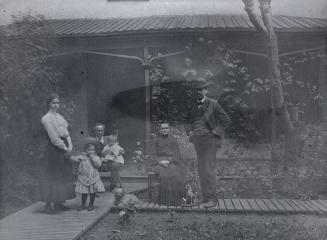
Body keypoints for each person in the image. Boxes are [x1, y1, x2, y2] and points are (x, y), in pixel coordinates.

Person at [183, 78, 231, 208]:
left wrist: (216, 131)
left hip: (210, 141)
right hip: (198, 141)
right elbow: (186, 121)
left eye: (200, 89)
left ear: (205, 90)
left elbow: (226, 120)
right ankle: (205, 198)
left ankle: (212, 200)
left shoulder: (213, 104)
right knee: (201, 170)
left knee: (209, 170)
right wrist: (189, 132)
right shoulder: (191, 105)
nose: (198, 92)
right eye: (196, 90)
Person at [40, 93, 75, 214]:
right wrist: (65, 149)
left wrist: (70, 147)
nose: (55, 105)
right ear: (49, 104)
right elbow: (54, 138)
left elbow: (66, 133)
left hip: (63, 147)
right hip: (54, 150)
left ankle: (59, 203)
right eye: (53, 103)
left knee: (62, 174)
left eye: (57, 103)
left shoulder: (60, 117)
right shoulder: (46, 118)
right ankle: (48, 205)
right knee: (52, 175)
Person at [151, 122, 185, 206]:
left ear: (169, 129)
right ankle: (164, 201)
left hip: (171, 162)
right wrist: (160, 162)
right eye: (163, 128)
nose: (164, 130)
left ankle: (174, 200)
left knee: (175, 174)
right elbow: (152, 155)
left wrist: (168, 161)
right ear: (160, 130)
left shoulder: (173, 140)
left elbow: (177, 155)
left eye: (166, 128)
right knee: (164, 175)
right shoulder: (156, 140)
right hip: (158, 163)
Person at [71, 142, 105, 211]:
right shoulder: (82, 157)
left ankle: (91, 204)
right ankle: (83, 204)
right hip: (84, 177)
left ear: (95, 150)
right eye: (89, 150)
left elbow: (98, 164)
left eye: (93, 150)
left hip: (93, 177)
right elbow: (75, 159)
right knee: (84, 192)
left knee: (92, 192)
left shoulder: (96, 157)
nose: (91, 151)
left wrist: (92, 157)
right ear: (85, 150)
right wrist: (70, 156)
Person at [92, 123, 121, 191]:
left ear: (104, 131)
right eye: (98, 131)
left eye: (101, 130)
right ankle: (93, 186)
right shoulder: (92, 140)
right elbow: (91, 152)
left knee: (116, 164)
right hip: (96, 163)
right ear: (95, 131)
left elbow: (116, 149)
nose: (100, 132)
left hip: (108, 162)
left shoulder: (109, 139)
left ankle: (113, 185)